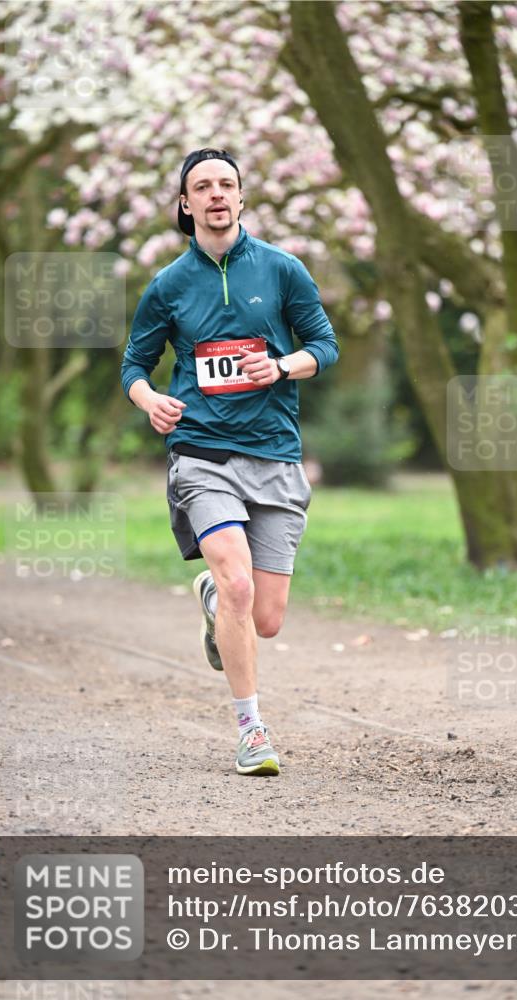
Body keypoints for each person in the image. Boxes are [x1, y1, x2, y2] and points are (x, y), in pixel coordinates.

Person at [121, 148, 339, 776]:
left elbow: (324, 345)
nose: (217, 195)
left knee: (264, 618)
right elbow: (134, 365)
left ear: (241, 198)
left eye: (227, 185)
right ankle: (251, 729)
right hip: (202, 456)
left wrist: (281, 365)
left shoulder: (282, 270)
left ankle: (216, 598)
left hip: (274, 453)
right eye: (202, 187)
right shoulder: (168, 284)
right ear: (185, 206)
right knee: (241, 583)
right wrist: (150, 400)